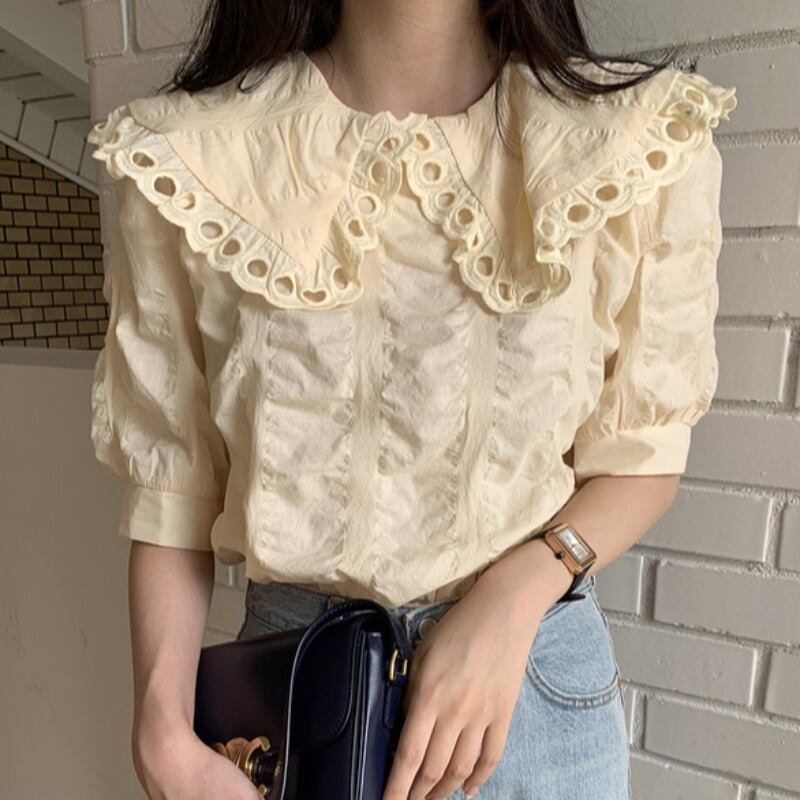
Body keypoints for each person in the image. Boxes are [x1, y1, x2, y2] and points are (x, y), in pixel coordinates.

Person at [86, 1, 737, 798]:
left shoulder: (627, 142)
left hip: (529, 697)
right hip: (300, 702)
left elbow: (643, 458)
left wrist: (516, 593)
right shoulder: (196, 159)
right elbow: (171, 491)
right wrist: (159, 731)